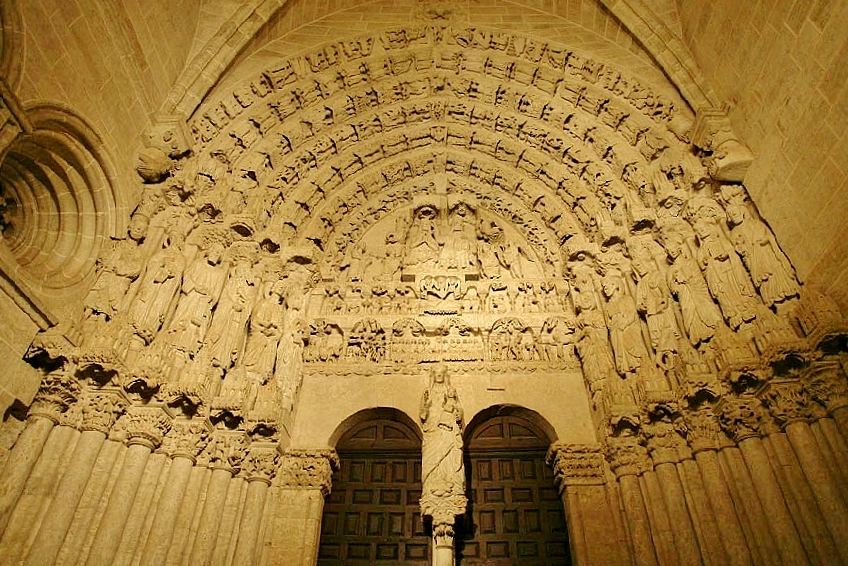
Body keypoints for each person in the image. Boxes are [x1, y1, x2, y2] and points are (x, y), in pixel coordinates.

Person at [420, 365, 465, 502]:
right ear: (433, 375)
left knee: (449, 457)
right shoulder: (427, 392)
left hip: (448, 429)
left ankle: (451, 485)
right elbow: (422, 415)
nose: (439, 376)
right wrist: (426, 407)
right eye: (436, 373)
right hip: (432, 430)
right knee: (431, 458)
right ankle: (432, 485)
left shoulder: (450, 391)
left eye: (441, 373)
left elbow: (459, 409)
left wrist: (458, 415)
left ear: (445, 375)